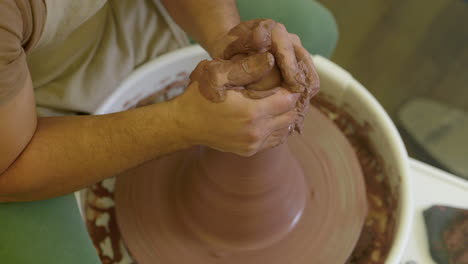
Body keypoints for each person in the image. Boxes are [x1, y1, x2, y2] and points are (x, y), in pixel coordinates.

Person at [0, 0, 338, 263]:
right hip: (28, 115)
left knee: (316, 29)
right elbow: (10, 167)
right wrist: (181, 125)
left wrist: (229, 43)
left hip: (122, 18)